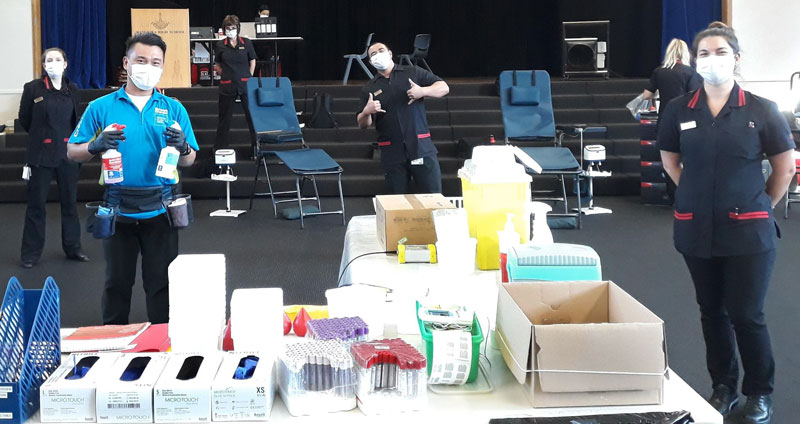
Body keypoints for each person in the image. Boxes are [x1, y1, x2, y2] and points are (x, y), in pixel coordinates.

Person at [657, 25, 795, 424]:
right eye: (703, 53)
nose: (711, 59)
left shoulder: (761, 109)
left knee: (747, 314)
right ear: (694, 59)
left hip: (749, 231)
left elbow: (785, 168)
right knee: (711, 312)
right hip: (696, 227)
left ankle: (759, 393)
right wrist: (699, 196)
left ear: (736, 57)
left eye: (720, 51)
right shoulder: (680, 109)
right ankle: (723, 387)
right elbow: (670, 161)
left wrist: (760, 205)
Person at [67, 32, 199, 325]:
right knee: (116, 285)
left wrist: (183, 146)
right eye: (141, 60)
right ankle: (113, 345)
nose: (148, 67)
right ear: (126, 63)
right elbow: (72, 152)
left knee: (162, 286)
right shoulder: (101, 107)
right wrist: (94, 145)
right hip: (118, 210)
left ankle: (163, 346)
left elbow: (190, 159)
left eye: (155, 62)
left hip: (161, 210)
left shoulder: (174, 108)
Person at [18, 47, 88, 268]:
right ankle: (30, 254)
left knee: (70, 204)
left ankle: (73, 248)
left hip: (68, 155)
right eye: (49, 60)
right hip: (40, 156)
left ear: (65, 64)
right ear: (43, 65)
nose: (54, 63)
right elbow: (25, 119)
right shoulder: (33, 89)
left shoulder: (73, 89)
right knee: (36, 205)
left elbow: (76, 120)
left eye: (58, 59)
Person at [357, 42, 449, 194]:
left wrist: (423, 91)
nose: (378, 55)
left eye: (381, 50)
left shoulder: (412, 72)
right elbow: (362, 124)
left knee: (433, 197)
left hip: (420, 147)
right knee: (397, 202)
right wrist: (367, 112)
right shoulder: (369, 88)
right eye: (373, 54)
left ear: (390, 53)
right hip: (392, 152)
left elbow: (444, 87)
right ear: (370, 62)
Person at [209, 14, 257, 175]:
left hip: (245, 83)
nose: (231, 30)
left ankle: (256, 150)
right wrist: (226, 75)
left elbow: (252, 60)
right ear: (224, 30)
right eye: (228, 28)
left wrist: (248, 77)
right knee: (224, 120)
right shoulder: (221, 45)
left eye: (233, 28)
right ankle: (220, 150)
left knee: (252, 118)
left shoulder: (246, 43)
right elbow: (217, 65)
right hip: (227, 85)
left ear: (238, 29)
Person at [641, 38, 703, 113]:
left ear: (669, 52)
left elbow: (646, 95)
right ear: (685, 53)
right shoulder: (690, 72)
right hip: (683, 115)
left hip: (664, 115)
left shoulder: (658, 71)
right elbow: (694, 97)